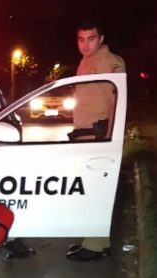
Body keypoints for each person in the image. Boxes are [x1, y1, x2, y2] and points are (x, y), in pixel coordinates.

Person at [67, 19, 125, 262]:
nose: (86, 44)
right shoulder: (86, 62)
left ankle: (94, 246)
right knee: (92, 190)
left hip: (99, 135)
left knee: (93, 192)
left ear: (101, 39)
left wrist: (111, 139)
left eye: (91, 38)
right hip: (87, 135)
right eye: (81, 39)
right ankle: (99, 242)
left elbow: (116, 101)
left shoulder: (108, 62)